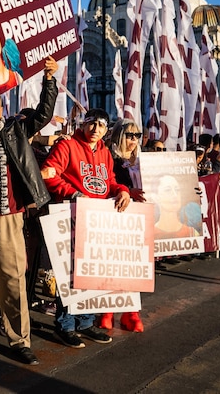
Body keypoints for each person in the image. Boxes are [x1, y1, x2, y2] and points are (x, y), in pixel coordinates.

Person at [0, 57, 59, 366]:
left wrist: (49, 79)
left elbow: (44, 114)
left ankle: (19, 338)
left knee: (13, 277)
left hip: (10, 215)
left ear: (3, 109)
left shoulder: (16, 129)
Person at [42, 108, 131, 349]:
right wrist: (72, 193)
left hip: (98, 220)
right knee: (70, 272)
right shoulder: (68, 145)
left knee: (92, 271)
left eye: (101, 126)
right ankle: (65, 325)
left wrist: (122, 190)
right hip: (71, 216)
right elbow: (48, 174)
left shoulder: (104, 152)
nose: (95, 130)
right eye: (92, 124)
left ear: (106, 130)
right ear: (83, 124)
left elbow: (109, 180)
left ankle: (85, 322)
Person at [96, 118, 145, 333]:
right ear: (119, 135)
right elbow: (105, 185)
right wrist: (125, 190)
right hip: (114, 217)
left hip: (137, 221)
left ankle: (131, 313)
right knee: (113, 266)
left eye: (137, 136)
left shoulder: (142, 161)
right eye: (129, 135)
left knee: (133, 267)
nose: (133, 140)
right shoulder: (109, 157)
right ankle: (107, 312)